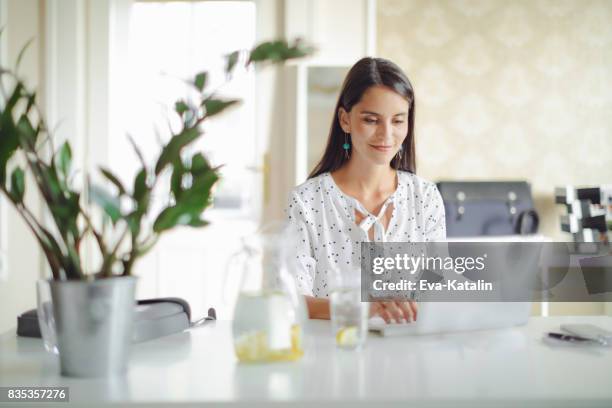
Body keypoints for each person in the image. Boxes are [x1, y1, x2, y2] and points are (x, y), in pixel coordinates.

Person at [285, 57, 446, 323]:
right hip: (334, 352)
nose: (386, 135)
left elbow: (437, 286)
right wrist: (361, 308)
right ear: (345, 120)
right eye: (372, 120)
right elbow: (292, 300)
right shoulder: (306, 201)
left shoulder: (425, 197)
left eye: (397, 121)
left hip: (410, 352)